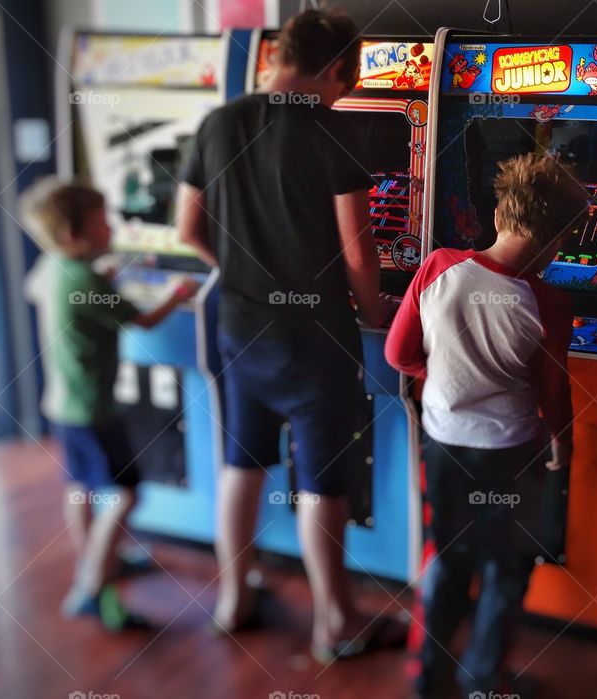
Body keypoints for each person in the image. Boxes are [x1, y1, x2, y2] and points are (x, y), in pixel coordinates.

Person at [175, 9, 399, 659]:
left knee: (241, 463)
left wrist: (242, 269)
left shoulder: (219, 122)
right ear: (337, 70)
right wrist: (373, 312)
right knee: (323, 478)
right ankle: (335, 623)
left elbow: (188, 228)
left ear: (278, 55)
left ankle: (232, 602)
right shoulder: (331, 130)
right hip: (315, 337)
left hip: (240, 325)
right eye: (346, 82)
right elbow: (358, 253)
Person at [384, 153, 588, 698]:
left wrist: (444, 375)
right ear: (559, 241)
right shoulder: (550, 303)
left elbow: (398, 353)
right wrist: (563, 443)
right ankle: (483, 680)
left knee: (448, 559)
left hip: (443, 446)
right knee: (506, 567)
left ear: (498, 214)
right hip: (510, 455)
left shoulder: (437, 267)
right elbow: (553, 392)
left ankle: (429, 677)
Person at [20, 179, 198, 630]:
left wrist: (101, 275)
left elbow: (37, 290)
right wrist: (178, 293)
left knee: (80, 485)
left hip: (62, 403)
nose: (111, 229)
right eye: (101, 223)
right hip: (94, 409)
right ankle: (92, 587)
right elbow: (144, 320)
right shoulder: (86, 280)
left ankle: (97, 559)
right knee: (125, 494)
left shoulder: (53, 266)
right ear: (72, 236)